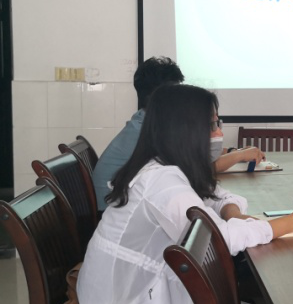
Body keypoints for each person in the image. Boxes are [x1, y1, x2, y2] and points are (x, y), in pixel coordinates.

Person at [77, 84, 293, 304]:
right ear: (186, 130)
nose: (219, 133)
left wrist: (232, 212)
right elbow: (218, 240)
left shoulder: (164, 167)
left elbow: (215, 195)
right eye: (212, 125)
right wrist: (288, 224)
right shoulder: (162, 181)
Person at [93, 57, 266, 210]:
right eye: (176, 92)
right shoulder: (147, 132)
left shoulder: (146, 120)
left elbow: (188, 153)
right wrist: (239, 155)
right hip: (113, 209)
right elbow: (195, 168)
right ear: (163, 97)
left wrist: (232, 151)